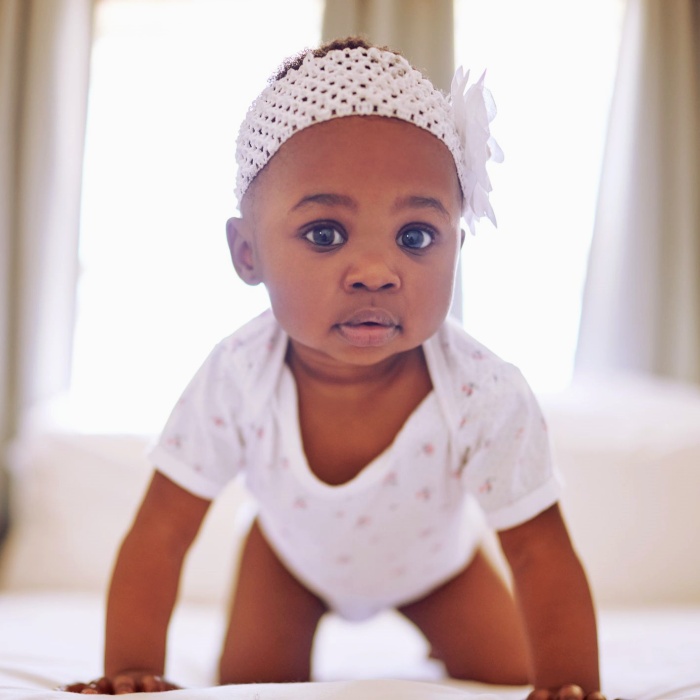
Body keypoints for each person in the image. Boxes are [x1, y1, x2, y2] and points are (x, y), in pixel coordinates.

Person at [65, 37, 605, 700]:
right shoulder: (237, 377)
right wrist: (129, 670)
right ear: (247, 253)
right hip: (289, 563)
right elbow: (162, 532)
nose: (377, 272)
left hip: (435, 568)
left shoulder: (482, 391)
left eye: (415, 237)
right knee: (251, 686)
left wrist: (573, 685)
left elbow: (539, 552)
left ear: (456, 250)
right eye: (325, 233)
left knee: (520, 670)